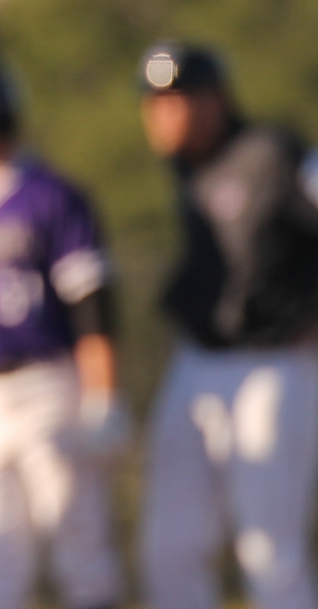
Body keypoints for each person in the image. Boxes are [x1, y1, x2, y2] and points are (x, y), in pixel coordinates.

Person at [0, 63, 124, 609]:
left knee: (79, 540)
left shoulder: (53, 195)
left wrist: (103, 393)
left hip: (49, 384)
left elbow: (93, 308)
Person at [136, 43, 318, 609]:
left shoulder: (273, 153)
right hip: (198, 363)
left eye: (178, 99)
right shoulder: (187, 167)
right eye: (154, 101)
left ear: (216, 100)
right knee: (169, 547)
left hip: (275, 363)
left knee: (269, 551)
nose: (164, 114)